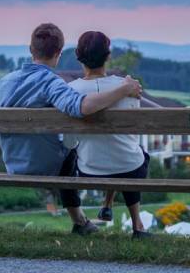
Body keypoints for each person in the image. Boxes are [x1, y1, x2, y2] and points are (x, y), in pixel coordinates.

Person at [0, 23, 142, 235]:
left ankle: (83, 220)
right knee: (71, 149)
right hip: (44, 164)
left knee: (70, 143)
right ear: (58, 53)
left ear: (30, 49)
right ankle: (80, 222)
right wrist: (125, 88)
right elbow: (83, 108)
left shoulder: (4, 82)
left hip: (13, 162)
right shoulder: (51, 83)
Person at [65, 31, 151, 239]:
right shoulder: (129, 88)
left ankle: (104, 206)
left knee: (98, 151)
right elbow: (133, 135)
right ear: (108, 56)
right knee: (134, 155)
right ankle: (138, 226)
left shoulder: (70, 91)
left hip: (90, 170)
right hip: (130, 167)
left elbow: (69, 143)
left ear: (79, 57)